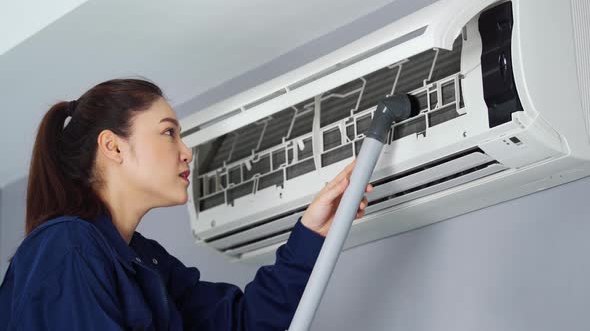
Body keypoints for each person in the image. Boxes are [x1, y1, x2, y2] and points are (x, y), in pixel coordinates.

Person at [0, 78, 372, 330]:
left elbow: (241, 323)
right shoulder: (67, 248)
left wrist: (311, 233)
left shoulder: (147, 262)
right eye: (168, 133)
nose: (187, 152)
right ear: (113, 147)